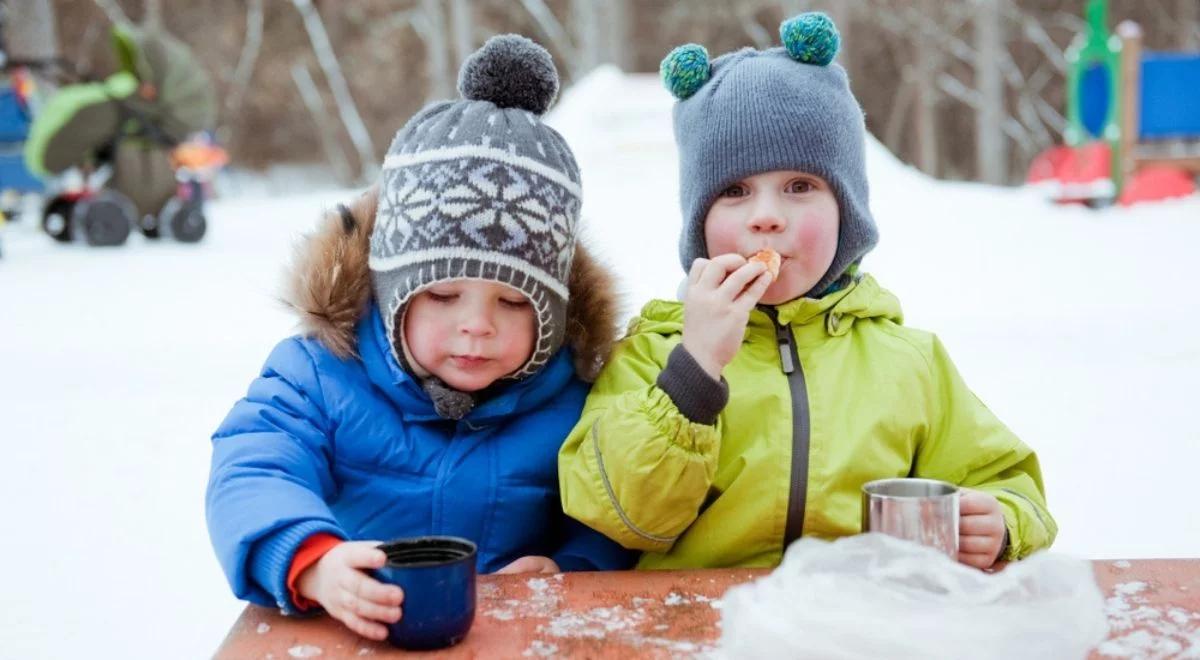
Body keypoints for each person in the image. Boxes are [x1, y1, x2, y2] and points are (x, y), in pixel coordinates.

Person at [557, 13, 1056, 571]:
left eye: (800, 187)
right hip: (699, 631)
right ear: (698, 224)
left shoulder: (909, 363)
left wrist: (1003, 520)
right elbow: (616, 513)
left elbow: (1007, 480)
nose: (767, 217)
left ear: (848, 212)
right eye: (735, 191)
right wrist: (694, 370)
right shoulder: (652, 356)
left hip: (853, 625)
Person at [207, 34, 633, 641]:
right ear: (390, 291)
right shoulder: (321, 374)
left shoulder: (575, 398)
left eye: (513, 301)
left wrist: (571, 565)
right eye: (441, 295)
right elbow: (253, 467)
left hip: (514, 638)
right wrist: (313, 562)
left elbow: (616, 512)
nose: (477, 325)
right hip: (353, 629)